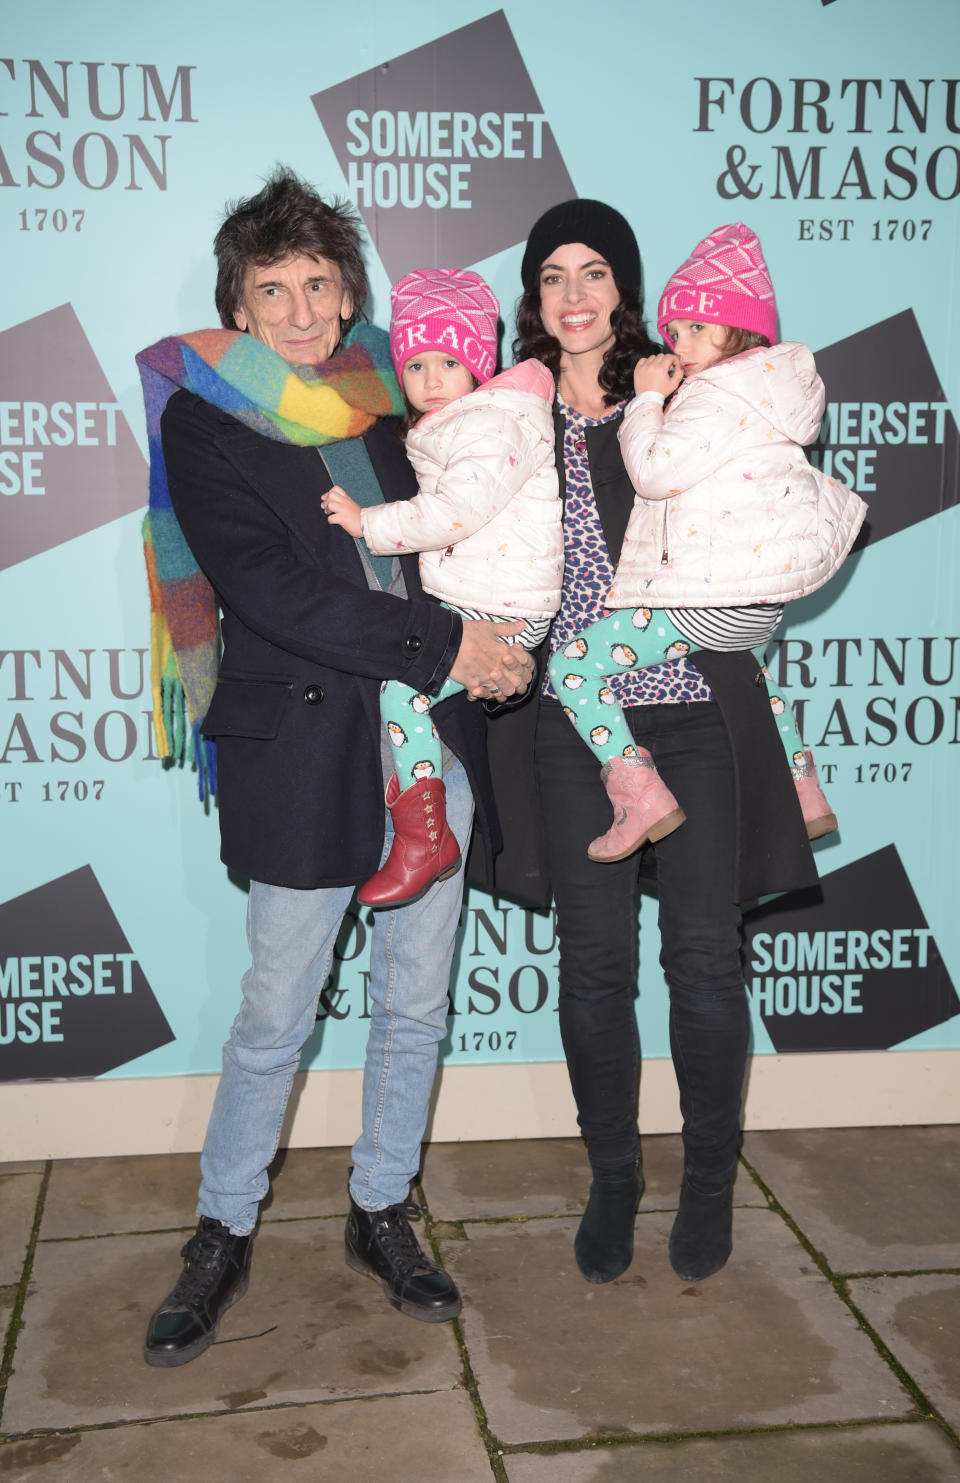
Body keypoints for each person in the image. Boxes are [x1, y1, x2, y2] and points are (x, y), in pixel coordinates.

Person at [136, 167, 533, 1367]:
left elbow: (484, 523)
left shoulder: (404, 404)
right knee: (275, 1012)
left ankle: (382, 1207)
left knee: (416, 1000)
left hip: (429, 738)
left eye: (321, 282)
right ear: (240, 305)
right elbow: (275, 594)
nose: (304, 310)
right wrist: (446, 642)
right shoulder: (202, 419)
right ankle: (222, 1226)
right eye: (276, 288)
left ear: (350, 290)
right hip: (308, 746)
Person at [504, 198, 819, 1287]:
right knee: (591, 968)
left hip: (691, 710)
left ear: (626, 289)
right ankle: (614, 1177)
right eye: (553, 275)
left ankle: (711, 1182)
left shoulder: (683, 384)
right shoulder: (509, 414)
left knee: (702, 961)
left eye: (595, 272)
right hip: (571, 730)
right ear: (533, 299)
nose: (575, 294)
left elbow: (765, 505)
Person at [546, 223, 866, 863]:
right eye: (676, 329)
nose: (680, 343)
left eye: (696, 327)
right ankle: (802, 788)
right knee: (756, 677)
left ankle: (637, 792)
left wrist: (646, 403)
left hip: (698, 603)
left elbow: (654, 473)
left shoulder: (708, 398)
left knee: (573, 667)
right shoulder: (773, 392)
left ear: (736, 330)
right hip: (753, 605)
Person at [323, 267, 562, 908]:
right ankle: (424, 833)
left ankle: (423, 838)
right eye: (417, 363)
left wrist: (367, 522)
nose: (431, 380)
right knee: (408, 696)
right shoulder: (462, 421)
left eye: (449, 362)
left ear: (478, 366)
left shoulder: (490, 425)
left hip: (494, 605)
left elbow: (453, 511)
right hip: (491, 598)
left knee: (403, 696)